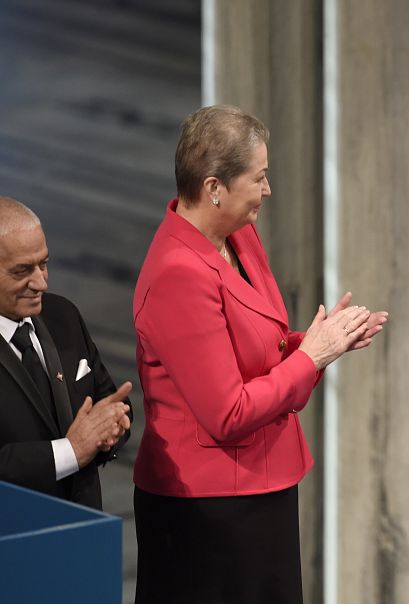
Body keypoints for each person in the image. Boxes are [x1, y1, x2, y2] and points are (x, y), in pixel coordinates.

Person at [131, 105, 388, 604]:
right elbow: (227, 413)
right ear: (214, 188)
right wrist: (310, 357)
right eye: (260, 177)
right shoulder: (177, 275)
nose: (268, 190)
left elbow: (256, 350)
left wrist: (317, 342)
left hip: (260, 487)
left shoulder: (239, 236)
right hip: (207, 512)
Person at [0, 196, 132, 510]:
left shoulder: (63, 316)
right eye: (22, 271)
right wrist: (71, 451)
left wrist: (113, 425)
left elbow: (107, 397)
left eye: (43, 263)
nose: (41, 282)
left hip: (82, 531)